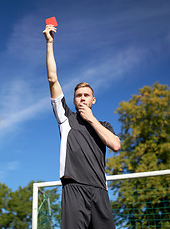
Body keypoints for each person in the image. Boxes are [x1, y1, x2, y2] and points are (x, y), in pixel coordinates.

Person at [43, 24, 121, 229]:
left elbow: (115, 145)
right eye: (78, 96)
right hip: (74, 188)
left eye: (86, 95)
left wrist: (92, 120)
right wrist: (49, 44)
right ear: (74, 100)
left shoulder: (104, 125)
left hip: (99, 191)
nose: (82, 98)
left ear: (93, 100)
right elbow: (53, 79)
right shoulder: (65, 118)